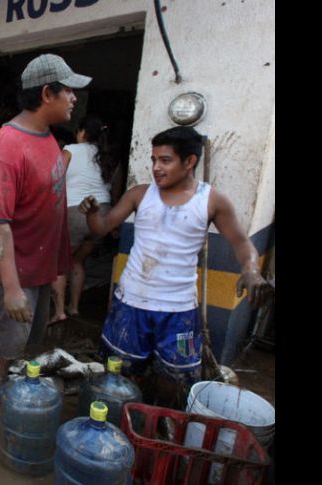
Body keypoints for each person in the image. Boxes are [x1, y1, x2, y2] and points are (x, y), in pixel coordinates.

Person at [78, 126, 269, 406]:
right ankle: (125, 418)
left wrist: (251, 271)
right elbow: (103, 228)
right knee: (120, 372)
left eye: (165, 160)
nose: (156, 167)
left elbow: (241, 242)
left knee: (177, 377)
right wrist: (93, 214)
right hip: (131, 306)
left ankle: (161, 423)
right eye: (153, 159)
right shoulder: (140, 194)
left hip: (180, 314)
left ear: (189, 161)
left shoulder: (212, 200)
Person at [0, 53, 91, 414]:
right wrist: (11, 288)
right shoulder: (6, 146)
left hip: (40, 268)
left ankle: (16, 395)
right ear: (47, 93)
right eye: (69, 91)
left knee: (28, 341)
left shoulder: (49, 139)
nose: (74, 98)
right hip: (14, 271)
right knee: (5, 344)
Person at [51, 115, 118, 322]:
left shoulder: (70, 150)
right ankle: (74, 308)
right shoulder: (109, 156)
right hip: (102, 213)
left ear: (82, 132)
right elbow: (115, 191)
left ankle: (59, 311)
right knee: (78, 261)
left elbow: (54, 179)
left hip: (76, 210)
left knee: (60, 264)